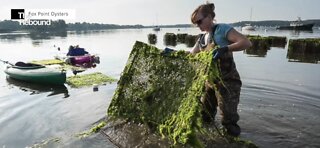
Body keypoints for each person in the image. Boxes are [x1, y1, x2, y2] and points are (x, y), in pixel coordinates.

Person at [190, 3, 252, 137]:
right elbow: (191, 56)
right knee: (205, 115)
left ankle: (233, 142)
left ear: (210, 17)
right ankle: (209, 139)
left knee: (228, 120)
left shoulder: (222, 30)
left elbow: (246, 43)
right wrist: (170, 53)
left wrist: (226, 48)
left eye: (200, 21)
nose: (198, 25)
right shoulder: (201, 39)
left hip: (228, 82)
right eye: (196, 23)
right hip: (210, 83)